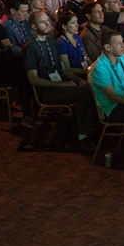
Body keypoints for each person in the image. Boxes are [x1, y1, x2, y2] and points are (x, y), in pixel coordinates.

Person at [24, 11, 95, 146]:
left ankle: (90, 128)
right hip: (48, 91)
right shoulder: (31, 47)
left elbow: (63, 69)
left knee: (88, 87)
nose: (47, 24)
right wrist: (62, 85)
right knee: (84, 94)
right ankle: (83, 135)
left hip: (60, 83)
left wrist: (77, 80)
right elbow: (33, 79)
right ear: (34, 27)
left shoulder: (51, 41)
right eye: (42, 22)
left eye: (48, 21)